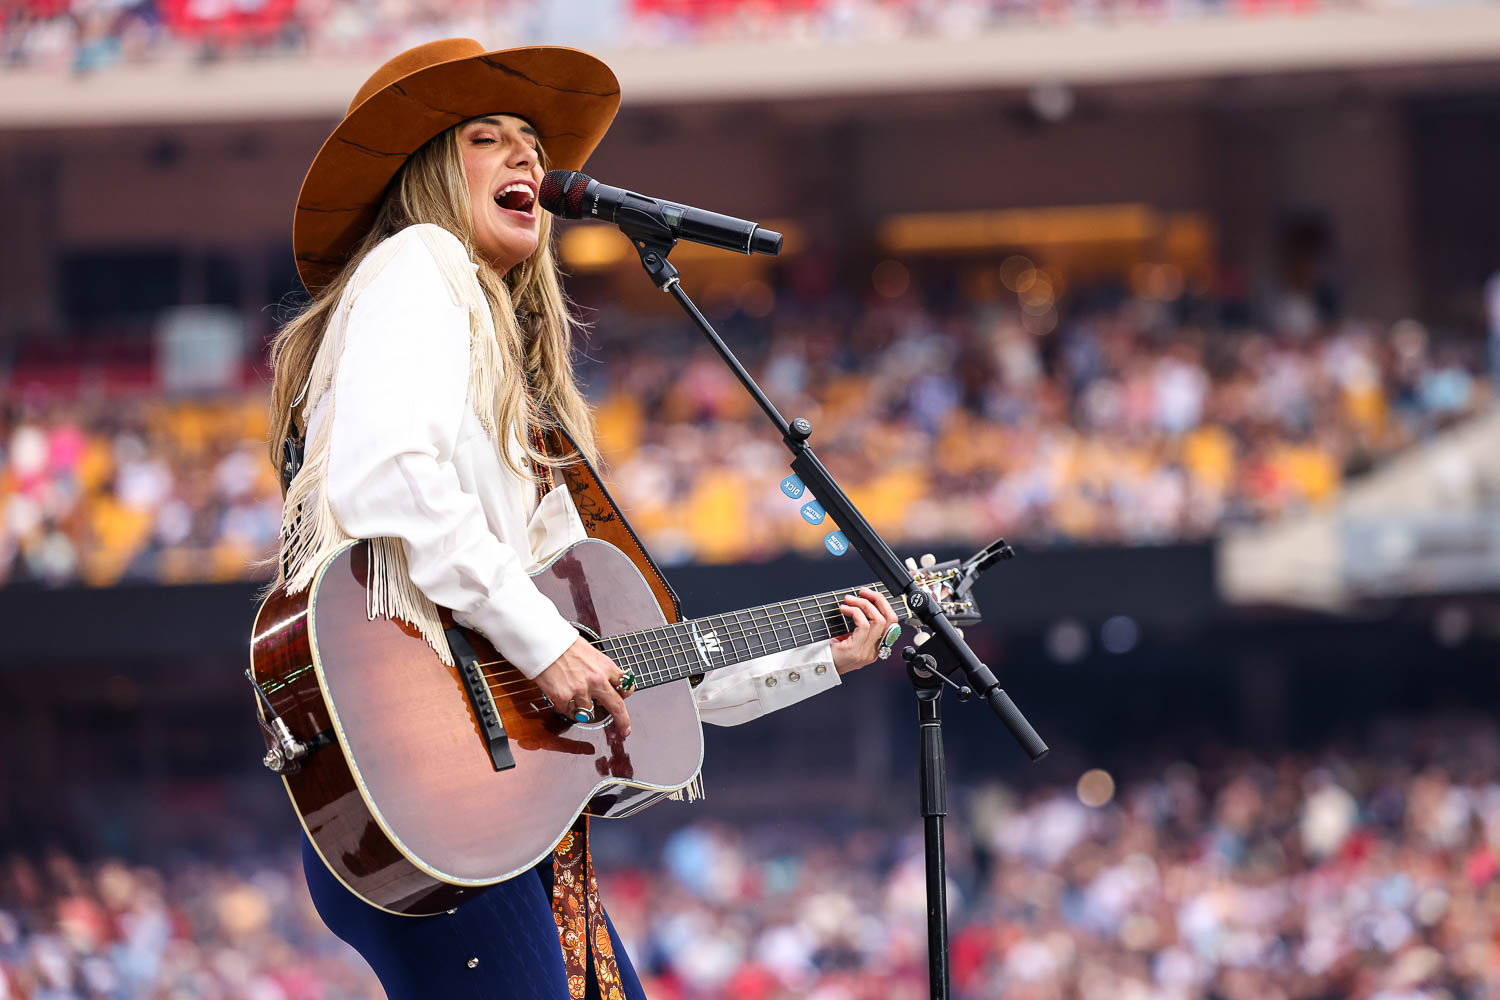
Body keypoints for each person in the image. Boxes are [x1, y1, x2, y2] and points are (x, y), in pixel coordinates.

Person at [265, 39, 901, 999]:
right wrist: (544, 641)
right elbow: (387, 477)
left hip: (477, 816)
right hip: (448, 804)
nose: (529, 159)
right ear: (429, 171)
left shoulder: (507, 383)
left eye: (531, 140)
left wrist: (820, 654)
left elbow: (633, 667)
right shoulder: (420, 260)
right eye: (489, 139)